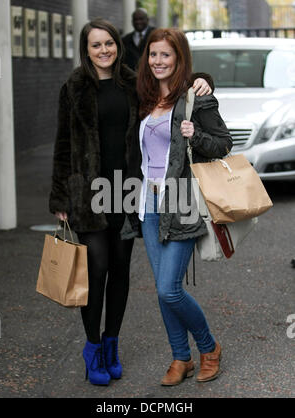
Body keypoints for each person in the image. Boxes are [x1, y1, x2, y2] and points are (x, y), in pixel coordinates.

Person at [49, 19, 213, 386]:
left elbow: (172, 81)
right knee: (96, 271)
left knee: (121, 271)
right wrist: (60, 196)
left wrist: (205, 79)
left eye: (109, 43)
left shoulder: (131, 83)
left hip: (127, 191)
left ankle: (112, 344)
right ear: (86, 50)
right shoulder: (73, 87)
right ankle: (92, 347)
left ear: (117, 46)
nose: (104, 50)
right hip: (89, 195)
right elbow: (62, 144)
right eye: (96, 45)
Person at [122, 28, 233, 386]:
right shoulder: (144, 97)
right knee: (161, 288)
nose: (158, 61)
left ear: (179, 58)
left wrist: (194, 135)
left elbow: (223, 144)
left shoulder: (195, 98)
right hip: (149, 202)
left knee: (169, 289)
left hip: (182, 200)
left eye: (165, 55)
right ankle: (180, 357)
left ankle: (208, 346)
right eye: (153, 55)